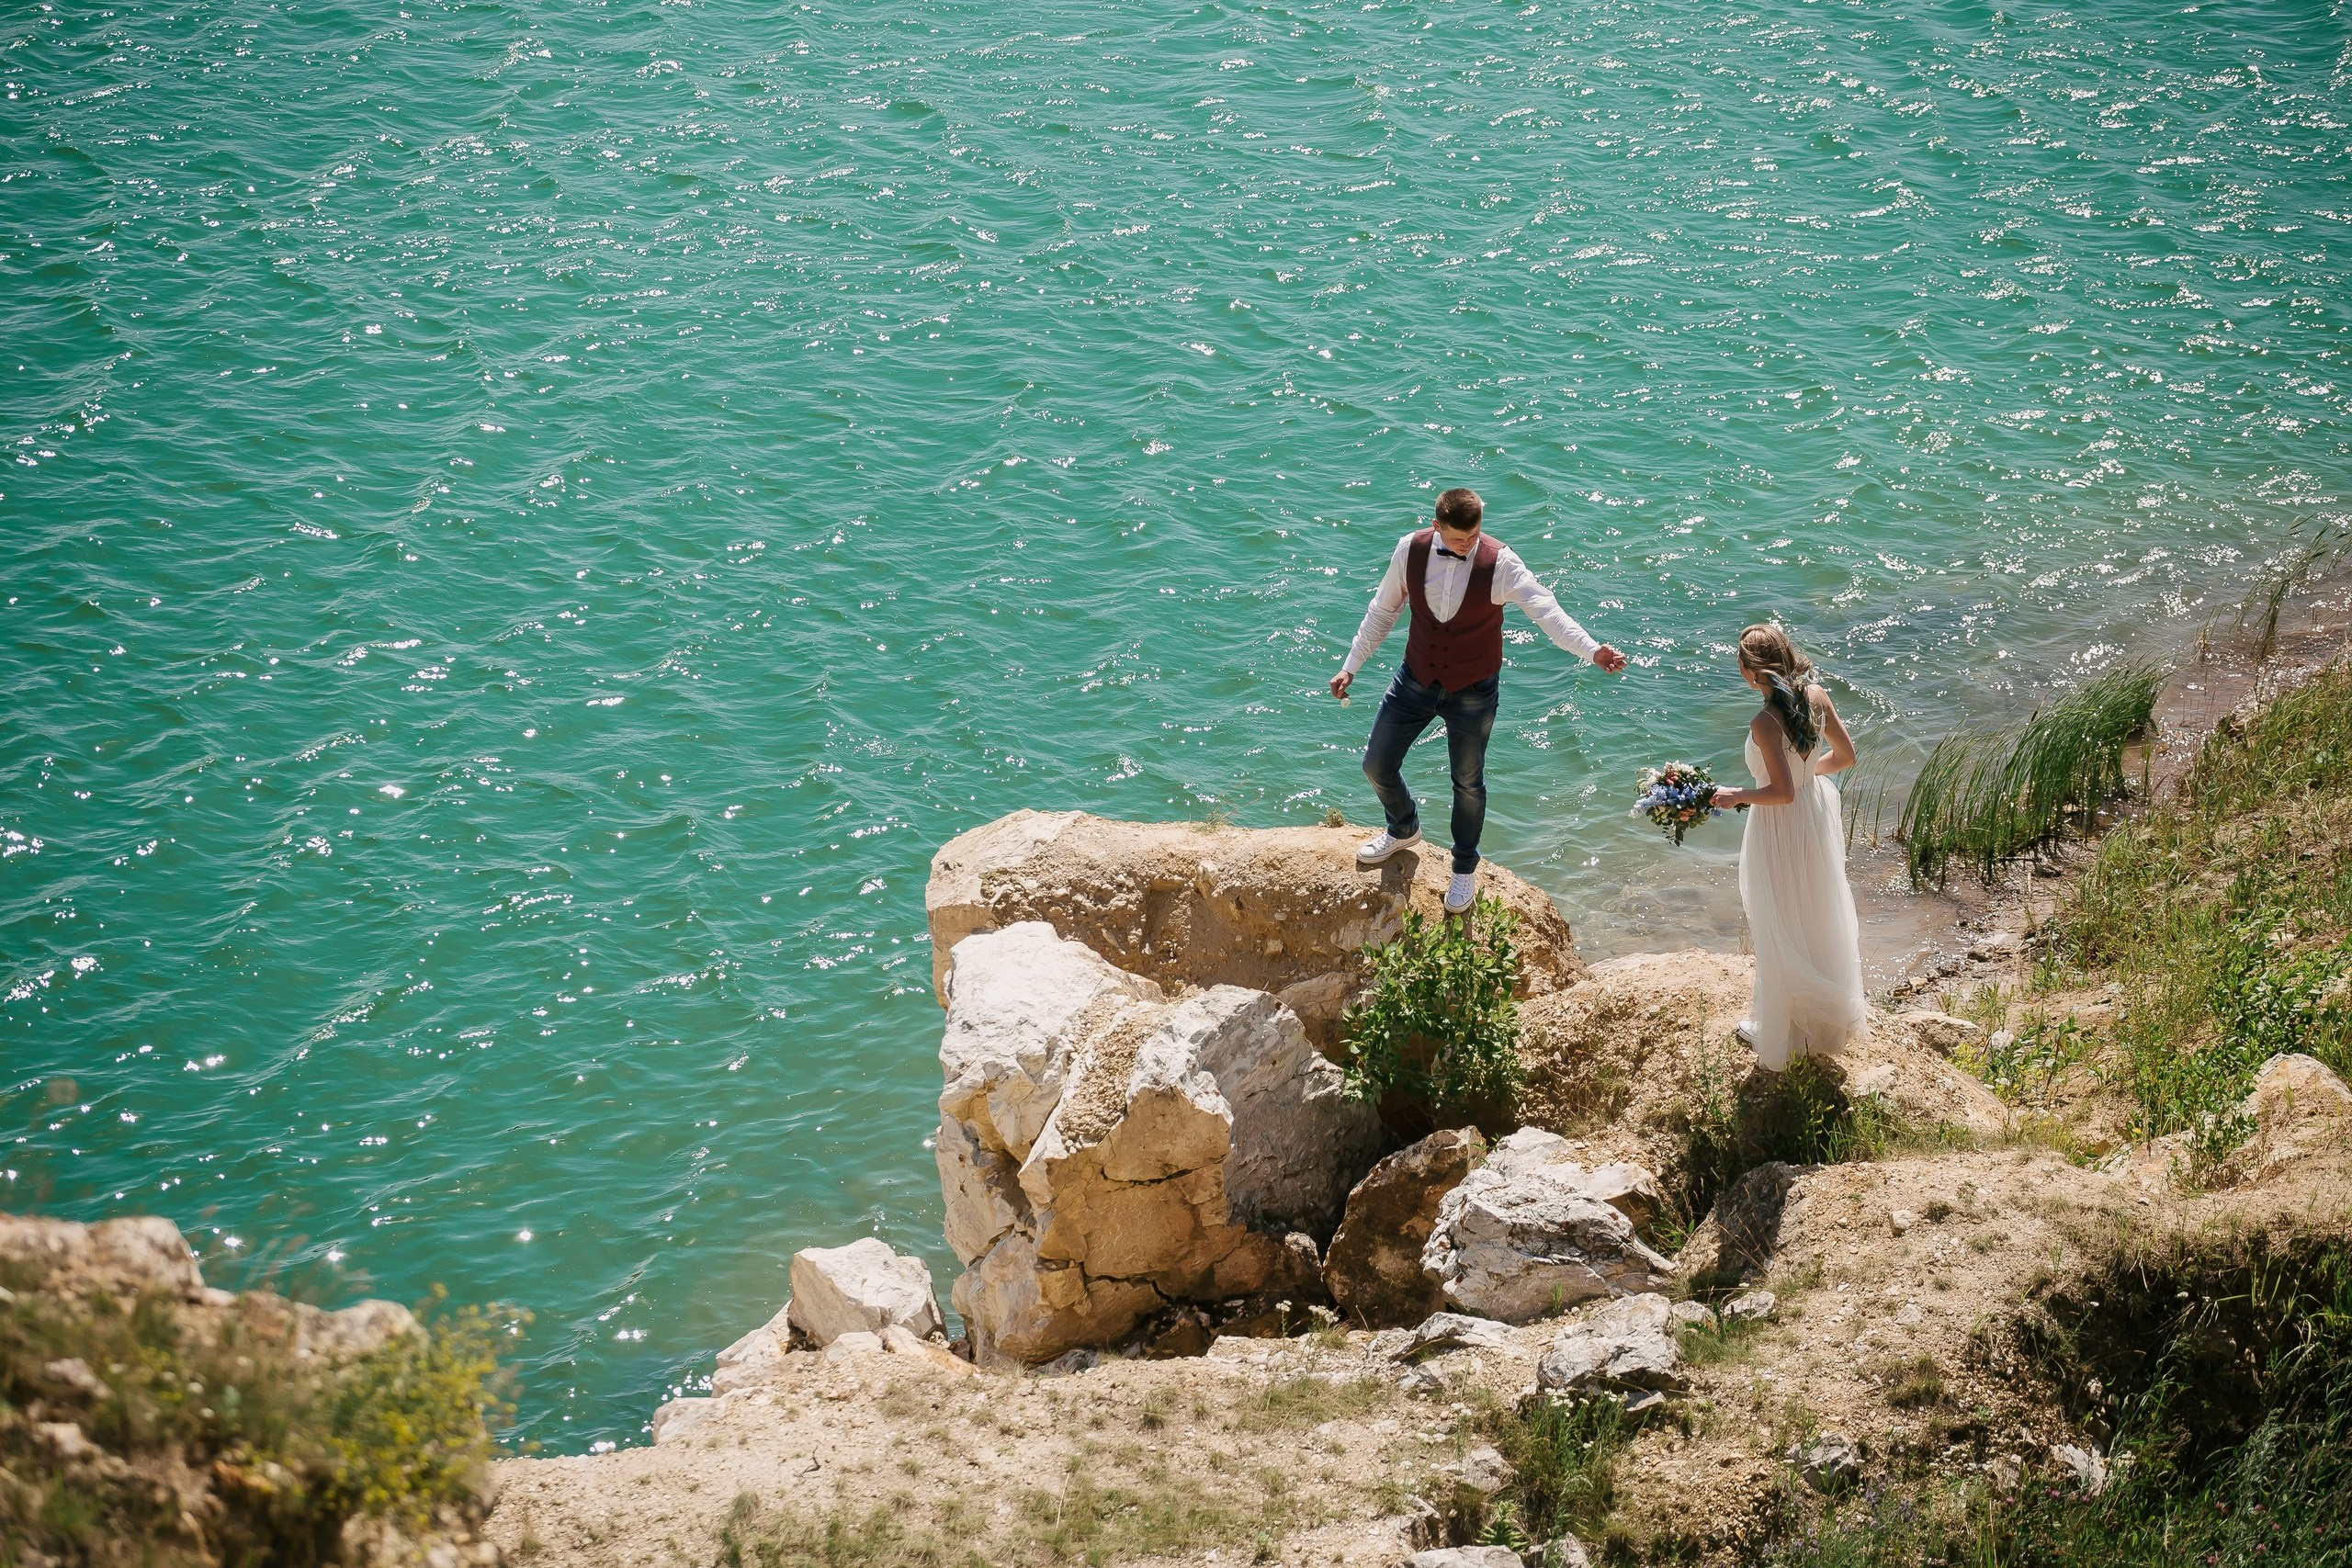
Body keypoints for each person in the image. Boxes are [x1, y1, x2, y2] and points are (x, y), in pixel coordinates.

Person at [1330, 488, 1627, 913]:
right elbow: (1383, 611)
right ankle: (1403, 828)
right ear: (1436, 527)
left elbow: (1547, 611)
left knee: (1467, 783)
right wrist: (1351, 664)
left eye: (1473, 537)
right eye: (1456, 540)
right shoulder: (1409, 551)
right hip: (1415, 678)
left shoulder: (1501, 562)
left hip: (1473, 691)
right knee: (1375, 764)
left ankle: (1463, 870)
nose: (1467, 546)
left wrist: (1592, 650)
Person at [1710, 624, 1867, 1070]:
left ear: (1748, 671)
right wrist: (1805, 773)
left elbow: (1780, 793)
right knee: (1813, 911)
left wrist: (1736, 795)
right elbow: (1845, 757)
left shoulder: (1764, 722)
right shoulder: (1816, 696)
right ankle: (1817, 1023)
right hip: (1814, 819)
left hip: (1778, 828)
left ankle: (1781, 1030)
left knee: (1778, 921)